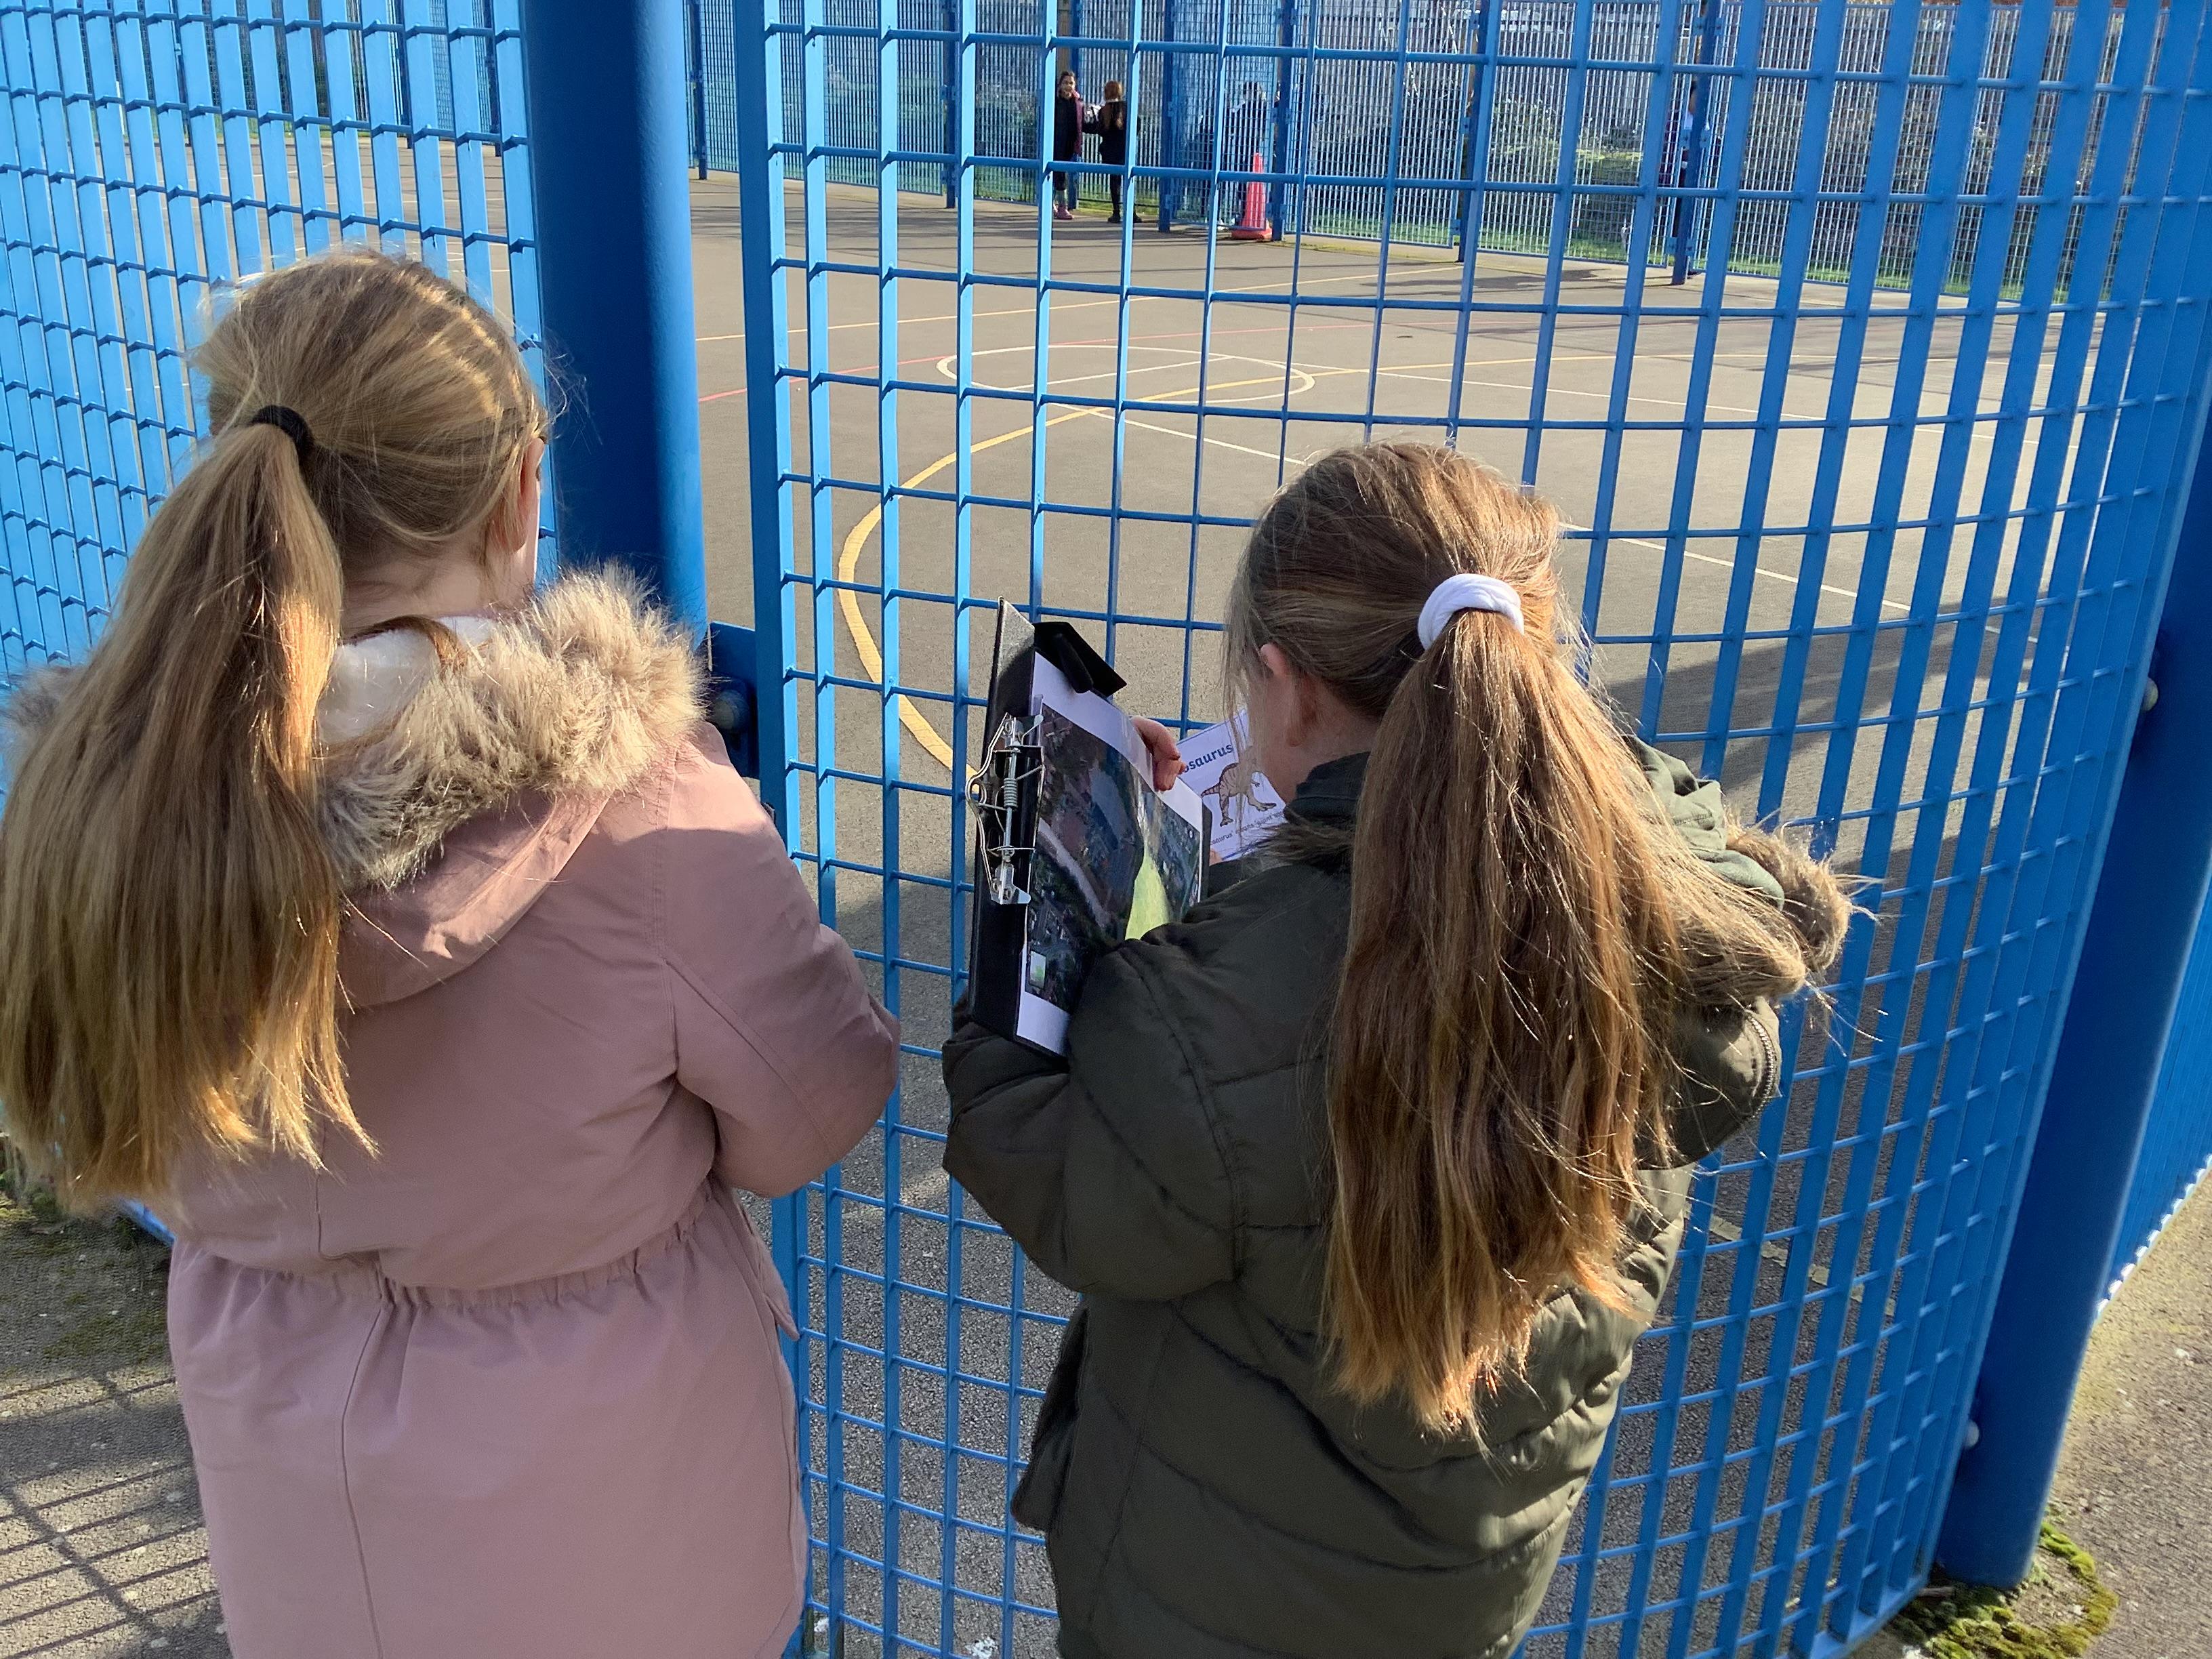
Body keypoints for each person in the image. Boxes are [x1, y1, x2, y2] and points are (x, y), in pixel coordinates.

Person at [0, 247, 899, 1659]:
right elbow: (815, 1104)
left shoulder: (95, 810)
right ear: (519, 494)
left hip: (297, 1519)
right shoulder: (635, 805)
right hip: (625, 1551)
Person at [941, 443, 1848, 1659]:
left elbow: (1064, 1178)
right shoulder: (1668, 902)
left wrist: (1036, 897)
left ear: (1286, 685)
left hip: (1213, 1602)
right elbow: (1387, 949)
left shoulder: (1209, 1020)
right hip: (1467, 1580)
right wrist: (1215, 886)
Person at [1092, 79, 1133, 223]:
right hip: (1125, 150)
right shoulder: (1127, 108)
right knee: (1129, 179)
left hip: (1110, 151)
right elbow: (1137, 124)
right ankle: (1132, 212)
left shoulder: (1104, 111)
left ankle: (1116, 212)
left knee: (1114, 181)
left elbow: (1100, 130)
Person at [1052, 68, 1087, 220]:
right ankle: (1062, 206)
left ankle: (1055, 204)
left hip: (1071, 144)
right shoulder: (1055, 101)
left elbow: (1082, 123)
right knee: (1058, 174)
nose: (1068, 86)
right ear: (1060, 85)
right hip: (1056, 143)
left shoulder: (1078, 103)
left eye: (1071, 83)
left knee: (1063, 174)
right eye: (1066, 83)